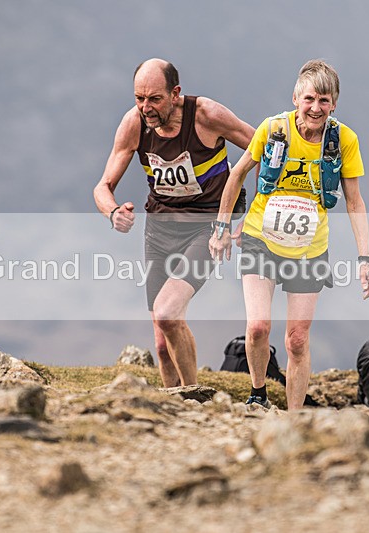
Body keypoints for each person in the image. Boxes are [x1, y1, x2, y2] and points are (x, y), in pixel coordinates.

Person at [209, 59, 369, 410]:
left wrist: (365, 259)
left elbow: (355, 201)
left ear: (334, 104)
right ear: (296, 98)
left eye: (325, 101)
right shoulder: (273, 130)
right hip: (260, 237)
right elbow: (237, 174)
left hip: (309, 248)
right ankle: (258, 394)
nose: (316, 108)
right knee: (257, 327)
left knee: (297, 340)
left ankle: (295, 419)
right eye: (310, 99)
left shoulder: (344, 140)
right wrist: (222, 228)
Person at [93, 58, 255, 387]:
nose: (146, 108)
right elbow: (102, 187)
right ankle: (175, 406)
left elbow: (266, 148)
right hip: (160, 228)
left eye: (154, 99)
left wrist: (251, 215)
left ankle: (194, 398)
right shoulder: (134, 123)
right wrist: (113, 212)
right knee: (162, 343)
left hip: (207, 227)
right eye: (139, 98)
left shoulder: (207, 115)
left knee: (167, 314)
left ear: (175, 94)